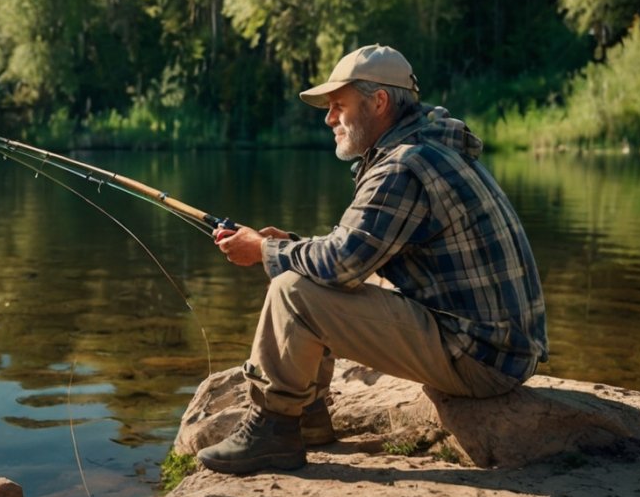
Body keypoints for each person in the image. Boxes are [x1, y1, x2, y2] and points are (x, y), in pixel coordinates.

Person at [198, 44, 548, 474]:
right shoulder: (428, 145)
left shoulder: (403, 165)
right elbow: (357, 251)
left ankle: (274, 429)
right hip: (502, 349)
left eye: (338, 105)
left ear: (379, 101)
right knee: (312, 274)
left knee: (293, 291)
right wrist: (291, 243)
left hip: (481, 360)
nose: (329, 119)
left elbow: (341, 263)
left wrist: (265, 251)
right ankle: (308, 417)